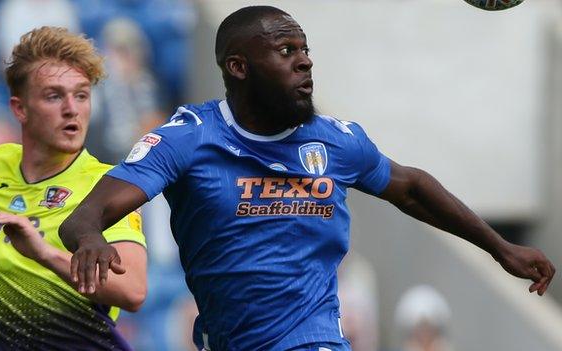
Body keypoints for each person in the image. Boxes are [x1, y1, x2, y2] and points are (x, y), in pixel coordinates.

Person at [59, 6, 556, 351]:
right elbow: (85, 216)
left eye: (305, 48)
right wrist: (88, 238)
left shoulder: (335, 142)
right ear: (239, 67)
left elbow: (410, 187)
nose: (305, 60)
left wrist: (498, 246)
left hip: (312, 336)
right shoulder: (191, 137)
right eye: (285, 50)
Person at [0, 26, 147, 350]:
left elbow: (133, 291)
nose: (71, 109)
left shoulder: (107, 187)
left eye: (81, 94)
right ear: (20, 108)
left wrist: (45, 254)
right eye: (54, 95)